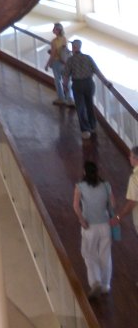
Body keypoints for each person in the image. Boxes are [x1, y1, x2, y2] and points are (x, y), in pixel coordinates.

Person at [73, 161, 115, 299]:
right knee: (105, 255)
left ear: (84, 172)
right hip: (105, 225)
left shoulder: (80, 186)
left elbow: (76, 206)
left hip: (89, 226)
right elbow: (113, 204)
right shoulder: (106, 185)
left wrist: (81, 219)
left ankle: (95, 281)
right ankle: (105, 285)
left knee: (89, 254)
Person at [62, 39, 111, 139]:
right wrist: (106, 82)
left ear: (74, 47)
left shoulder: (70, 60)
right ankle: (93, 126)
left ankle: (85, 130)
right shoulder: (88, 58)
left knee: (80, 108)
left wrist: (65, 86)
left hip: (77, 84)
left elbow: (66, 75)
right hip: (89, 83)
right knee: (89, 105)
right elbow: (97, 71)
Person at [44, 22, 74, 105]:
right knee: (67, 81)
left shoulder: (54, 41)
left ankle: (61, 98)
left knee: (58, 81)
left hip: (57, 63)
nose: (53, 30)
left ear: (58, 30)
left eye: (54, 28)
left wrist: (47, 64)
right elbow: (64, 51)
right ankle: (70, 99)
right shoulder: (64, 39)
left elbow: (53, 54)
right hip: (65, 63)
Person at [111, 145, 138, 236]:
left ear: (135, 159)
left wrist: (118, 217)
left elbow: (132, 202)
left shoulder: (134, 178)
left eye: (131, 156)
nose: (129, 158)